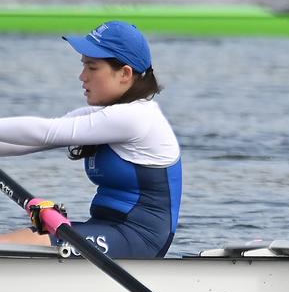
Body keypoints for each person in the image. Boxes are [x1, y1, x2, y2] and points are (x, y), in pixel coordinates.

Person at [0, 21, 182, 258]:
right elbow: (32, 141)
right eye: (83, 66)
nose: (82, 76)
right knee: (12, 241)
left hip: (137, 240)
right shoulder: (104, 115)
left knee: (12, 243)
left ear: (125, 74)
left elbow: (47, 131)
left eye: (92, 68)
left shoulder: (137, 117)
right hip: (106, 229)